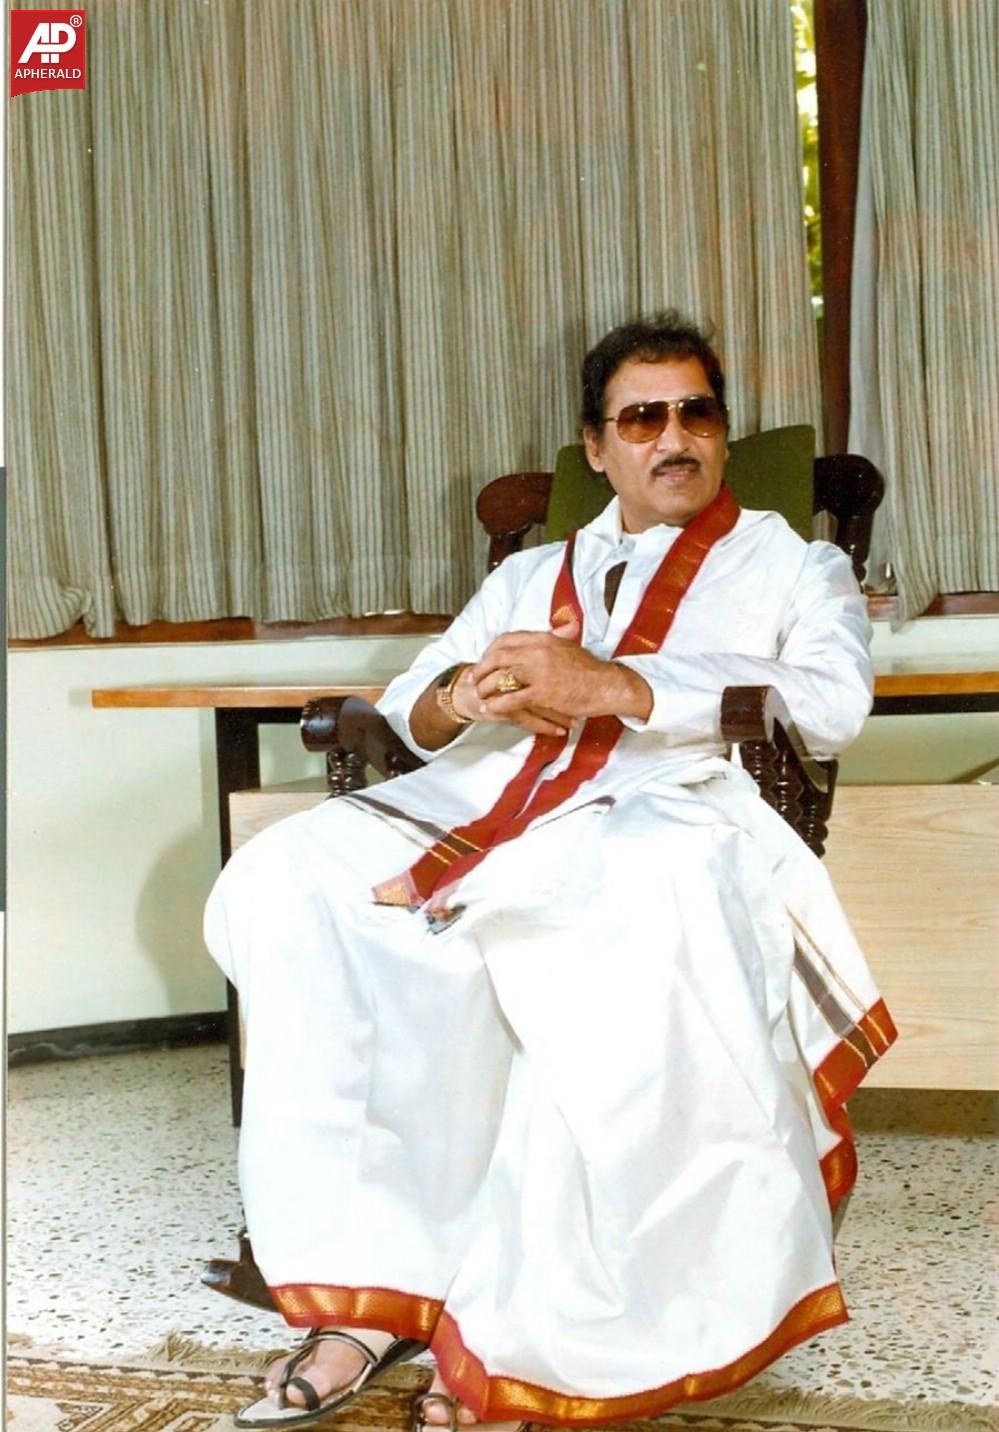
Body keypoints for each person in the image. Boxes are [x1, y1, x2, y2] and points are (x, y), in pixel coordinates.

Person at [204, 311, 896, 1431]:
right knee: (287, 878)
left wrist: (616, 686)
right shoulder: (533, 575)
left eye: (696, 412)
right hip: (488, 794)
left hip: (672, 807)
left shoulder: (793, 563)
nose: (673, 437)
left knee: (575, 915)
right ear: (596, 447)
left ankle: (531, 1327)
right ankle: (368, 1291)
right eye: (642, 418)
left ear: (721, 431)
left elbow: (830, 704)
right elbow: (415, 702)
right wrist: (462, 694)